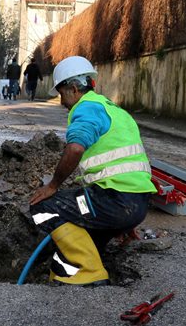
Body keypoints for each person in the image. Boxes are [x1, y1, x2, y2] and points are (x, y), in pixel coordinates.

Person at [29, 56, 157, 286]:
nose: (62, 102)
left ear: (74, 89)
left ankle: (90, 271)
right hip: (135, 205)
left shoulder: (86, 108)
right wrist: (126, 218)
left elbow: (76, 148)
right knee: (82, 227)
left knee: (42, 207)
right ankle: (75, 270)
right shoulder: (115, 111)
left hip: (113, 202)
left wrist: (53, 186)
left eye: (62, 94)